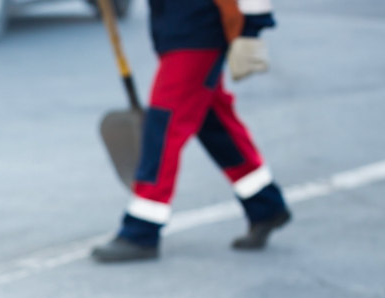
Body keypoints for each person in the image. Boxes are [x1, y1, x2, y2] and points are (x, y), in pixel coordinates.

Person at [92, 0, 290, 262]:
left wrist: (252, 27)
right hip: (178, 29)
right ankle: (265, 204)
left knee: (163, 126)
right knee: (214, 124)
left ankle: (141, 230)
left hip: (199, 31)